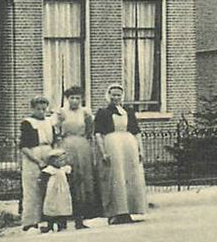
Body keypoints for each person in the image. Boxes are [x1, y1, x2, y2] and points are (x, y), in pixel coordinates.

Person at [93, 84, 148, 225]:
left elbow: (136, 131)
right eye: (113, 95)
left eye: (118, 95)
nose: (116, 97)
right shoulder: (103, 112)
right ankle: (116, 212)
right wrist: (103, 152)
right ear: (108, 96)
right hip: (112, 145)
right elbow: (98, 133)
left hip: (129, 146)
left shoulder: (128, 112)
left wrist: (140, 149)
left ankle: (129, 211)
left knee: (130, 177)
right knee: (116, 177)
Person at [53, 86, 102, 227]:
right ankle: (63, 217)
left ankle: (80, 217)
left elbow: (90, 130)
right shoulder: (61, 113)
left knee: (83, 179)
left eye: (77, 98)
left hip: (82, 146)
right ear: (67, 99)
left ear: (82, 99)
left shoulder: (85, 113)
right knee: (68, 178)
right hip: (66, 145)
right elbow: (55, 129)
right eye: (72, 98)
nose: (75, 101)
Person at [19, 95, 55, 232]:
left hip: (48, 152)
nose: (41, 112)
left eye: (43, 109)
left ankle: (48, 220)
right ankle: (30, 222)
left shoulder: (49, 122)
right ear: (32, 108)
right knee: (32, 189)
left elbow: (54, 140)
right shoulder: (28, 123)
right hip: (33, 155)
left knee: (49, 189)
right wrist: (37, 160)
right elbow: (24, 146)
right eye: (38, 109)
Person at [41, 149, 73, 232]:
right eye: (59, 160)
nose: (62, 162)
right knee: (52, 207)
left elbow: (69, 177)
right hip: (52, 192)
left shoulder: (64, 169)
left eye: (63, 160)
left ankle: (62, 225)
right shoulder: (50, 170)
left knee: (62, 206)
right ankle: (50, 226)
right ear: (53, 161)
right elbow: (43, 180)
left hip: (63, 192)